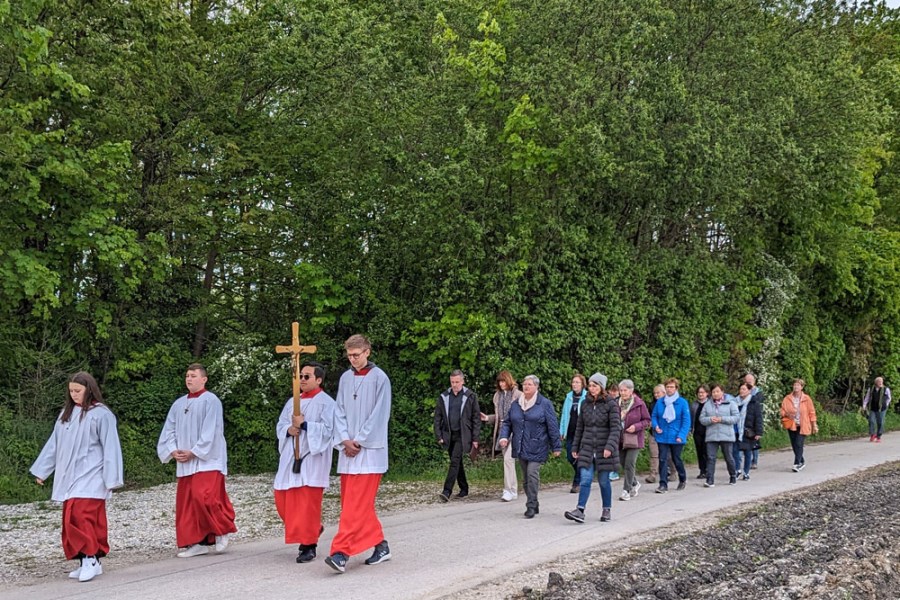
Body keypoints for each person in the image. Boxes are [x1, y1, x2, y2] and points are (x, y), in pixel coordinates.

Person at [30, 372, 124, 582]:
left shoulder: (102, 414)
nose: (74, 395)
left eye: (78, 391)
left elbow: (111, 447)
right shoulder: (66, 414)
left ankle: (91, 557)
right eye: (71, 391)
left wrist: (111, 478)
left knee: (83, 515)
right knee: (71, 517)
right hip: (70, 475)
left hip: (92, 474)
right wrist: (43, 470)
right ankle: (87, 561)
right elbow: (54, 444)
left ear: (89, 390)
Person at [325, 334, 392, 573]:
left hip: (369, 454)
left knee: (356, 506)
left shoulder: (380, 378)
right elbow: (338, 410)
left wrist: (360, 441)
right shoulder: (345, 378)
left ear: (367, 352)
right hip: (348, 452)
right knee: (353, 505)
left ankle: (340, 553)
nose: (352, 359)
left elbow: (379, 415)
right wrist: (344, 439)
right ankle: (381, 545)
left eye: (356, 355)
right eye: (349, 355)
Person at [157, 364, 237, 558]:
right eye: (187, 376)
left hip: (208, 459)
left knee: (205, 497)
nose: (189, 379)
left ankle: (222, 529)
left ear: (204, 379)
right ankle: (197, 542)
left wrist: (195, 451)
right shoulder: (178, 404)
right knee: (188, 503)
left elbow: (212, 430)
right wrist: (173, 450)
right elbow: (169, 429)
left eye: (193, 376)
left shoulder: (211, 401)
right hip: (185, 461)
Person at [273, 362, 335, 564]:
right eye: (300, 376)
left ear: (319, 379)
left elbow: (329, 430)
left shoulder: (327, 403)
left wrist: (306, 425)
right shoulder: (293, 401)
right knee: (282, 500)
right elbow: (282, 424)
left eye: (307, 376)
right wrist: (288, 430)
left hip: (311, 457)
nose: (302, 380)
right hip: (291, 456)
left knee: (306, 504)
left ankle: (308, 546)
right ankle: (314, 528)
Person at [498, 375, 561, 519]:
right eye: (524, 384)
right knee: (526, 479)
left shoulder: (544, 404)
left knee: (532, 474)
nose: (526, 386)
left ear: (536, 387)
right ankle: (534, 501)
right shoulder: (516, 404)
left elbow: (552, 426)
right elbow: (507, 422)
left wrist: (556, 446)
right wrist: (503, 436)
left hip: (538, 445)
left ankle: (531, 505)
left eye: (530, 384)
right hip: (520, 445)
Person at [564, 373, 620, 523]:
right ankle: (580, 510)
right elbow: (580, 427)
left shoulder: (611, 404)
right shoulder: (585, 403)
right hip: (587, 447)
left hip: (604, 449)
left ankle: (606, 509)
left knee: (603, 481)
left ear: (602, 387)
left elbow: (615, 428)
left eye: (595, 385)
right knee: (585, 479)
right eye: (590, 385)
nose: (592, 388)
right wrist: (575, 446)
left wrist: (610, 447)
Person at [434, 370, 481, 502]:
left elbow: (476, 419)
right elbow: (438, 417)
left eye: (457, 382)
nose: (454, 385)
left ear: (462, 381)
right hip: (448, 435)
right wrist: (438, 435)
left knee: (454, 461)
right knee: (457, 462)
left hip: (463, 435)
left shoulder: (470, 396)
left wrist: (475, 438)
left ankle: (446, 492)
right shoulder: (444, 396)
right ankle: (464, 488)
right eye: (452, 382)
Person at [480, 370, 524, 501]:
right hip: (502, 432)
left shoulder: (518, 395)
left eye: (503, 381)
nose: (501, 384)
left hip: (515, 432)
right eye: (499, 381)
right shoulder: (497, 396)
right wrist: (488, 417)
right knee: (508, 461)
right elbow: (499, 417)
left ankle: (508, 490)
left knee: (508, 460)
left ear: (509, 380)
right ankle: (513, 490)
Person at [650, 378, 690, 493]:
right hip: (663, 435)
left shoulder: (682, 402)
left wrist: (681, 435)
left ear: (676, 388)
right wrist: (656, 426)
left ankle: (682, 479)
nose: (669, 389)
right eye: (667, 387)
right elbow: (654, 416)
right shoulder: (660, 402)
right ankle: (663, 484)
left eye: (672, 387)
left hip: (676, 436)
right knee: (662, 459)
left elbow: (686, 421)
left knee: (676, 459)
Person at [616, 379, 650, 501]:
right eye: (621, 390)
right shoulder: (616, 403)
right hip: (620, 438)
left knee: (630, 463)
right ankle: (635, 483)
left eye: (625, 390)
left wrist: (636, 427)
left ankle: (626, 490)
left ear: (631, 391)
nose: (623, 393)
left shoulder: (639, 404)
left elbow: (647, 421)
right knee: (623, 463)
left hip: (634, 438)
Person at [698, 383, 738, 487]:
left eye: (717, 391)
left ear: (722, 392)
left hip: (726, 435)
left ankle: (733, 475)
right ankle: (710, 479)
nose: (715, 394)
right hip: (712, 435)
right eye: (713, 392)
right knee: (711, 457)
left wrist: (722, 419)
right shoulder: (707, 404)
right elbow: (702, 419)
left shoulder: (730, 403)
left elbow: (736, 418)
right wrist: (710, 419)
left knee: (728, 457)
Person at [558, 374, 589, 493]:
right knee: (570, 457)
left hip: (582, 432)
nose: (574, 384)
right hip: (570, 431)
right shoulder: (569, 397)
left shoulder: (587, 397)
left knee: (580, 457)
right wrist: (561, 430)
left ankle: (577, 482)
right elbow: (564, 415)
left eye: (577, 382)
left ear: (582, 384)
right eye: (573, 382)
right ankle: (582, 474)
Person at [780, 379, 818, 471]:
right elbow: (782, 410)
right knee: (794, 445)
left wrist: (814, 425)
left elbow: (812, 412)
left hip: (803, 424)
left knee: (798, 443)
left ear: (802, 387)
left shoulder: (807, 399)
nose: (796, 387)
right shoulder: (787, 398)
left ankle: (797, 463)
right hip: (792, 424)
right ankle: (801, 461)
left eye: (798, 385)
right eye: (794, 385)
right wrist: (786, 414)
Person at [645, 384, 676, 483]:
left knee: (667, 455)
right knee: (654, 454)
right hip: (653, 432)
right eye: (654, 393)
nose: (656, 395)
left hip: (666, 433)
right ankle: (653, 474)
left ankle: (673, 472)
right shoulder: (652, 405)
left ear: (664, 393)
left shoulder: (671, 404)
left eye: (658, 392)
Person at [733, 382, 763, 481]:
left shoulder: (754, 402)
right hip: (736, 430)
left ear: (749, 391)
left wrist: (758, 432)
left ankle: (746, 472)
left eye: (744, 389)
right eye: (741, 389)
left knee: (747, 452)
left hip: (748, 431)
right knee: (735, 451)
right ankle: (737, 469)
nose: (742, 391)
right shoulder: (734, 402)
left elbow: (758, 418)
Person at [863, 377, 892, 442]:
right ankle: (872, 435)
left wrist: (886, 404)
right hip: (873, 408)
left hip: (882, 409)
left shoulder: (886, 389)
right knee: (871, 421)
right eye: (879, 381)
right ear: (876, 382)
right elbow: (867, 397)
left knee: (880, 422)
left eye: (881, 381)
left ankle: (878, 436)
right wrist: (864, 405)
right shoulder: (871, 389)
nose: (881, 383)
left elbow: (889, 398)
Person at [744, 373, 764, 468]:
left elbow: (758, 401)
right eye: (746, 382)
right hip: (746, 420)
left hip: (755, 419)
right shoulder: (743, 391)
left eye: (750, 382)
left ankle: (754, 461)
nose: (748, 383)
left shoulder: (758, 392)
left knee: (755, 441)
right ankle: (746, 460)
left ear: (754, 382)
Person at [691, 385, 710, 480]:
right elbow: (691, 418)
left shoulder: (710, 404)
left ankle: (708, 470)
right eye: (699, 392)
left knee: (707, 451)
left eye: (703, 392)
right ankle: (702, 470)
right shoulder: (694, 404)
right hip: (697, 431)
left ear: (707, 393)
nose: (701, 394)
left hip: (708, 431)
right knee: (699, 451)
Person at [606, 382, 621, 481]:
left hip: (618, 427)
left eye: (615, 391)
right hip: (609, 427)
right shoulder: (607, 400)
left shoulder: (620, 401)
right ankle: (610, 470)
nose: (613, 393)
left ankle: (615, 471)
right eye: (612, 391)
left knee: (615, 451)